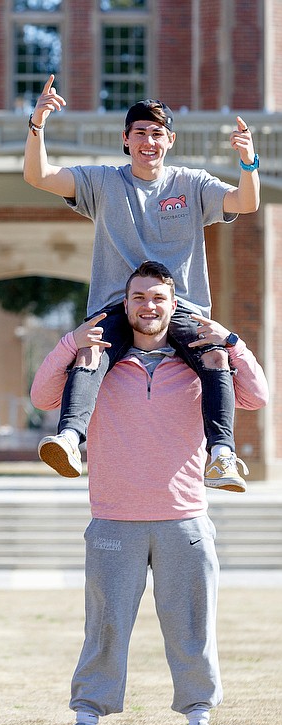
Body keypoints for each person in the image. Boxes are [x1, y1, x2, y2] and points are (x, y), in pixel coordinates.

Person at [30, 261, 268, 725]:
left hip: (185, 517)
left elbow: (259, 397)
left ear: (173, 302)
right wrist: (72, 342)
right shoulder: (100, 363)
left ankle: (201, 723)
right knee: (105, 627)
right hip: (115, 518)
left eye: (159, 297)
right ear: (126, 302)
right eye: (139, 297)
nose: (149, 306)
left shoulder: (199, 364)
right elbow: (41, 394)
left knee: (192, 628)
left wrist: (231, 341)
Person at [24, 76, 260, 492]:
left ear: (169, 140)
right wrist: (38, 124)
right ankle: (68, 439)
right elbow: (39, 176)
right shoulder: (103, 182)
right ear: (126, 139)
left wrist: (248, 163)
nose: (148, 141)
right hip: (119, 306)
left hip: (182, 308)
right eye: (140, 133)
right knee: (90, 350)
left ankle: (222, 454)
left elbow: (245, 203)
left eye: (157, 133)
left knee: (216, 356)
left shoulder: (192, 183)